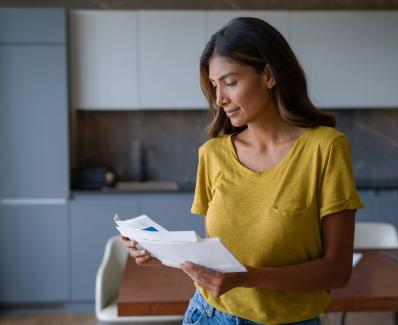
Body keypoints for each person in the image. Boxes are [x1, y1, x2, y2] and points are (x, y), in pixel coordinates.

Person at [122, 17, 363, 325]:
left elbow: (337, 271)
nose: (220, 99)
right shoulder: (212, 155)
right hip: (209, 315)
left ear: (269, 75)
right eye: (214, 85)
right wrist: (160, 252)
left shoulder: (326, 148)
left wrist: (247, 278)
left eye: (231, 82)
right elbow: (215, 256)